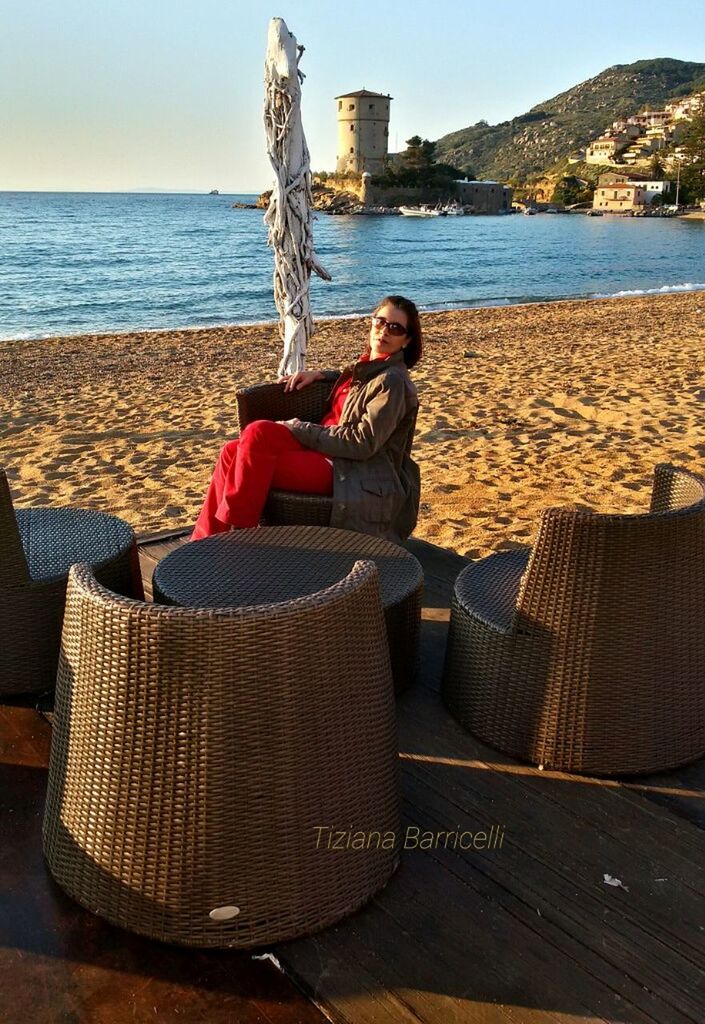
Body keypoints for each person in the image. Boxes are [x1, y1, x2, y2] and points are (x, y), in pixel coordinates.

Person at [192, 295, 422, 542]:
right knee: (231, 451)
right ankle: (204, 542)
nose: (384, 331)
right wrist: (321, 375)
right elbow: (362, 387)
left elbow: (362, 443)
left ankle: (240, 541)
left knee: (256, 435)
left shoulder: (393, 382)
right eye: (380, 321)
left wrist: (299, 428)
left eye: (395, 328)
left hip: (349, 469)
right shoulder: (368, 367)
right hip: (324, 450)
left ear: (406, 340)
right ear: (371, 322)